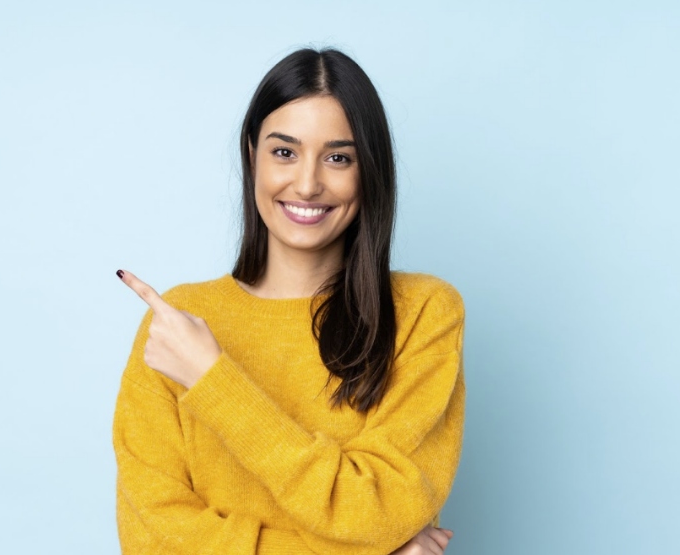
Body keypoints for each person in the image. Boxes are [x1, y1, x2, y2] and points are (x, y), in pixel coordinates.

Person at [112, 47, 466, 555]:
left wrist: (214, 381)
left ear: (369, 169)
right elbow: (152, 540)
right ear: (251, 154)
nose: (307, 184)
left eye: (338, 158)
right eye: (284, 152)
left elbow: (379, 513)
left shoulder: (423, 312)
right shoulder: (178, 326)